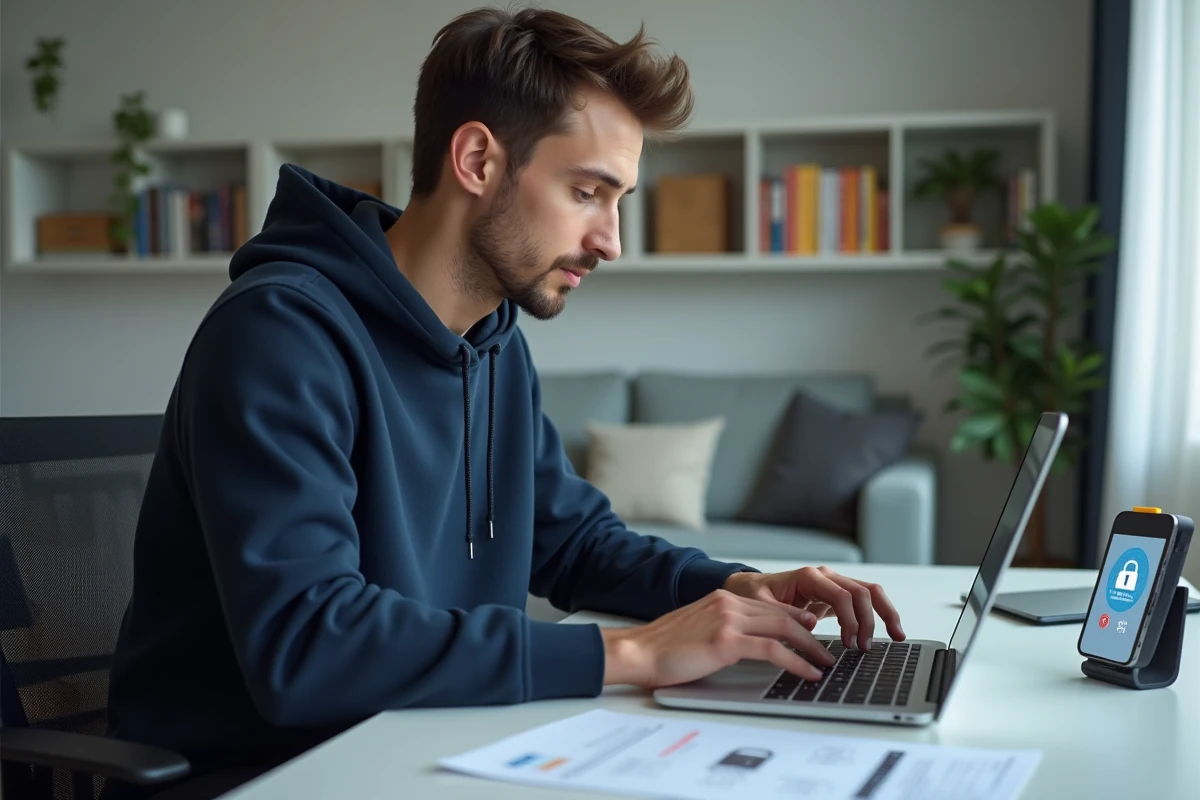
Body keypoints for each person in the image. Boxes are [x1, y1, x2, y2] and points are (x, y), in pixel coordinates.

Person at [103, 6, 905, 798]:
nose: (611, 240)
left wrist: (733, 590)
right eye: (588, 191)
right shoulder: (280, 333)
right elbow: (308, 646)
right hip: (260, 775)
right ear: (479, 160)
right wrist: (633, 654)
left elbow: (574, 544)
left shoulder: (495, 342)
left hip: (425, 744)